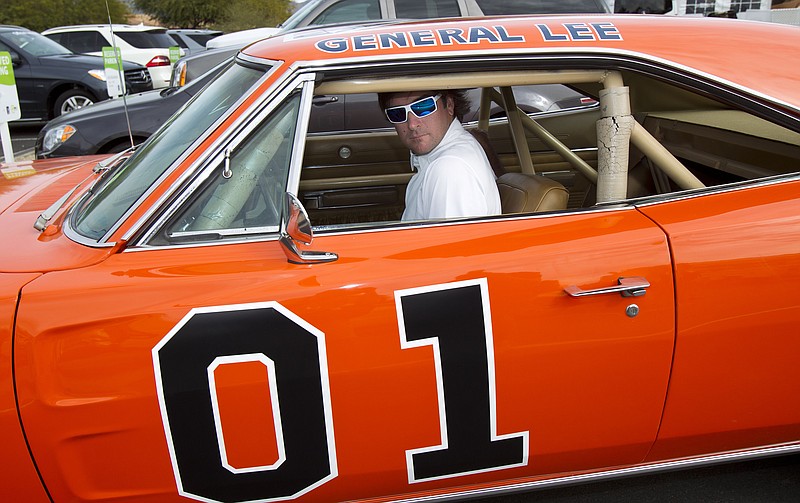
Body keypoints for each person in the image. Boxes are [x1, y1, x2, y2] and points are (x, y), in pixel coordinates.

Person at [379, 90, 501, 221]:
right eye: (397, 114)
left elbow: (451, 241)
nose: (412, 124)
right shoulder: (443, 159)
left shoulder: (449, 168)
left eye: (423, 106)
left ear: (449, 105)